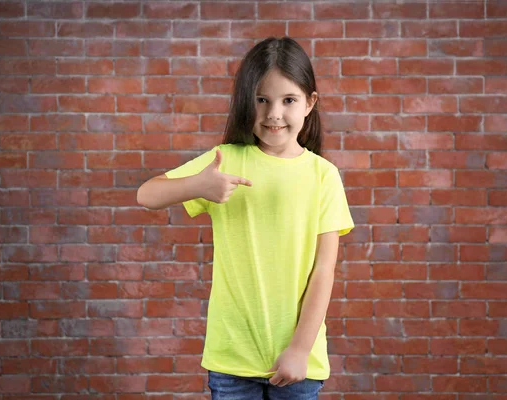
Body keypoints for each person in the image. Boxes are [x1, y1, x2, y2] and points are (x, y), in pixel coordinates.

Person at [137, 36, 354, 400]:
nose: (274, 114)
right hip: (232, 358)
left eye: (289, 100)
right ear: (246, 102)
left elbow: (323, 271)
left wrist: (300, 349)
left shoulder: (323, 176)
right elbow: (147, 194)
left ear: (310, 103)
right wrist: (198, 185)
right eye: (261, 100)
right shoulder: (226, 159)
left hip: (298, 359)